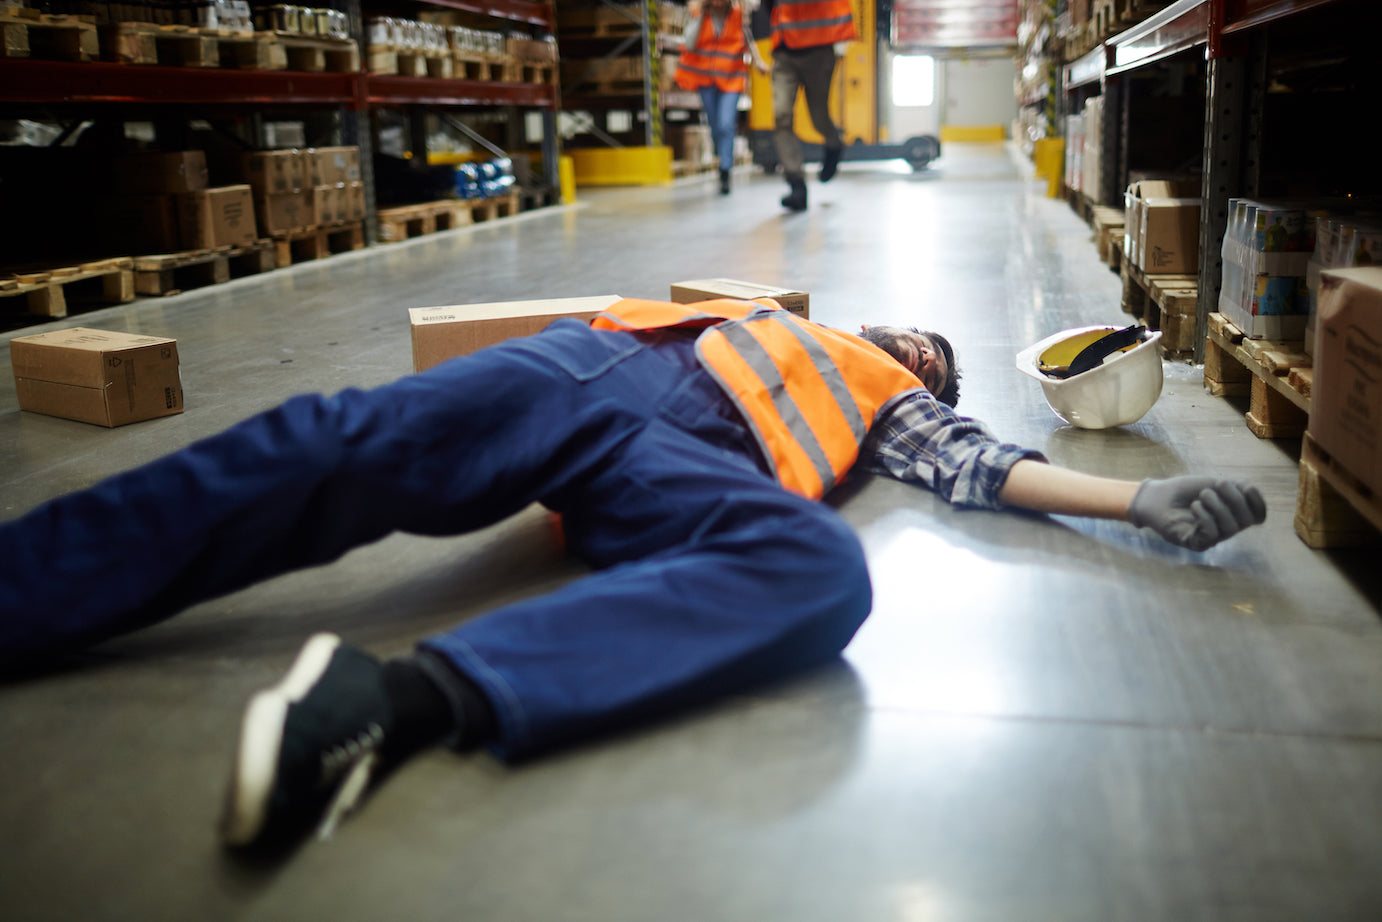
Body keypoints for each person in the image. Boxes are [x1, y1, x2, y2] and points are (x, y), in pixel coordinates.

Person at [0, 297, 1266, 851]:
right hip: (590, 375)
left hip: (675, 473)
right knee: (343, 442)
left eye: (927, 354)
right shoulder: (768, 315)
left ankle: (399, 700)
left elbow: (980, 467)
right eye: (906, 335)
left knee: (820, 567)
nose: (908, 346)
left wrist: (1131, 498)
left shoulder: (888, 402)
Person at [764, 0, 856, 211]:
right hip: (784, 51)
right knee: (782, 116)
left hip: (818, 48)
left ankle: (833, 143)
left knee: (818, 117)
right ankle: (796, 183)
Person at [674, 0, 768, 195]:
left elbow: (748, 38)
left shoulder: (737, 15)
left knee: (726, 124)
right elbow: (689, 43)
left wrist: (758, 61)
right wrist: (700, 15)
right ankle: (722, 158)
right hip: (706, 79)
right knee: (715, 126)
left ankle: (725, 170)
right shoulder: (699, 14)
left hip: (731, 79)